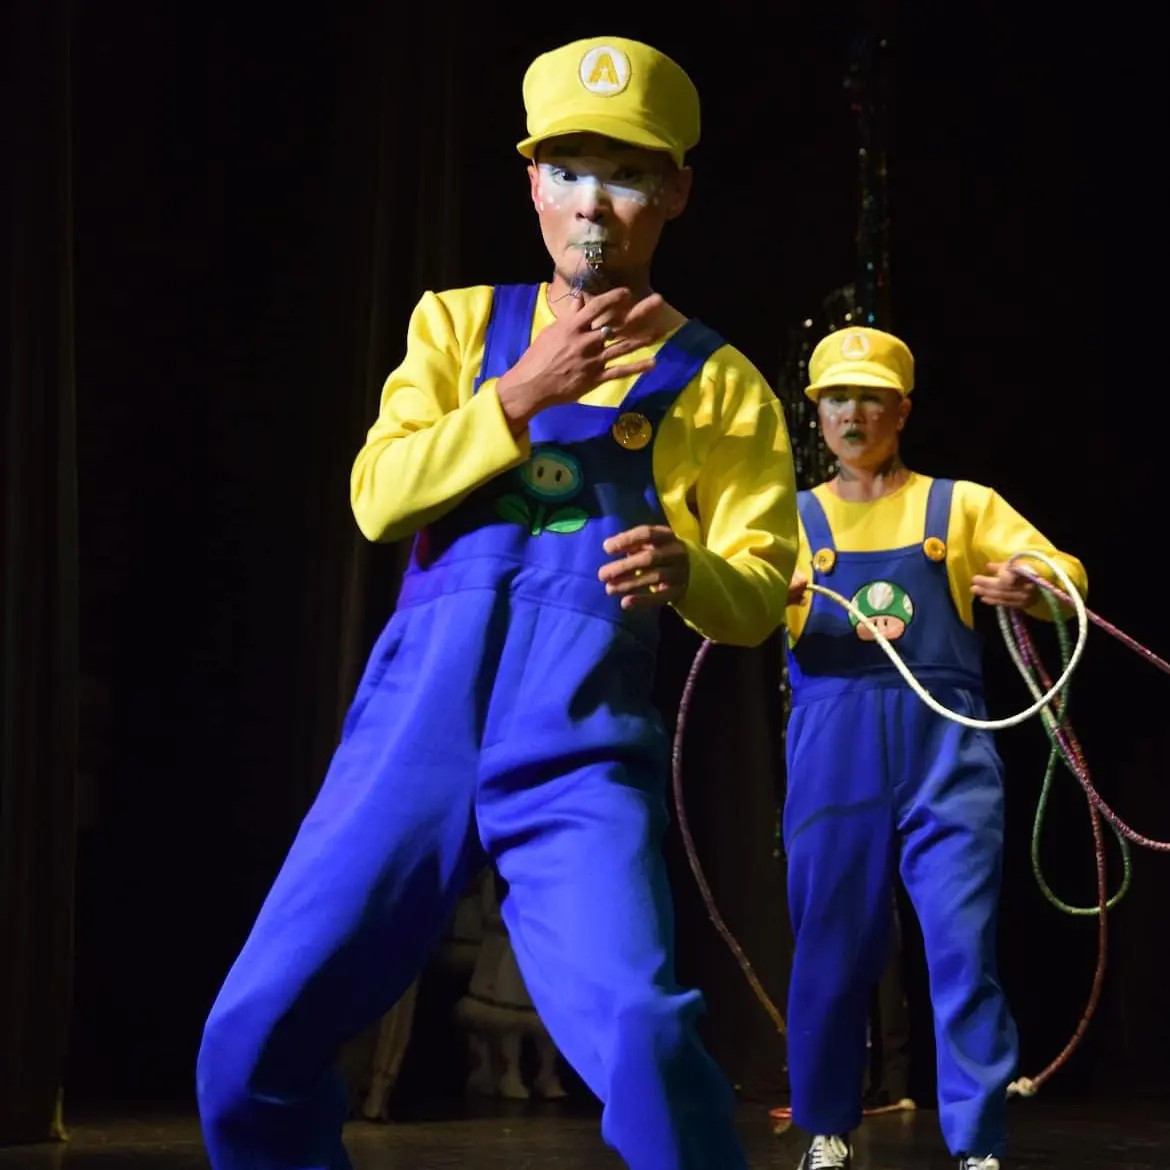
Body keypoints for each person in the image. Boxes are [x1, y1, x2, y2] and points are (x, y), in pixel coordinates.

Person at [195, 34, 799, 1170]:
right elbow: (379, 500)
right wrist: (523, 395)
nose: (592, 206)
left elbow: (759, 596)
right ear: (530, 182)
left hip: (576, 754)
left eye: (624, 176)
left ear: (673, 190)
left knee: (646, 1040)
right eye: (566, 170)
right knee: (248, 1046)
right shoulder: (458, 327)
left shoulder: (720, 383)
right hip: (411, 738)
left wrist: (691, 571)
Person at [781, 326, 1087, 1170]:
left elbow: (1062, 573)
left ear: (901, 409)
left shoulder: (961, 507)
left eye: (870, 396)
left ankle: (977, 1142)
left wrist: (1032, 586)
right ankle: (829, 1126)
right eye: (836, 397)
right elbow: (727, 597)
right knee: (830, 949)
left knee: (962, 947)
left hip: (946, 753)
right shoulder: (790, 519)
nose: (852, 412)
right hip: (833, 751)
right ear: (817, 412)